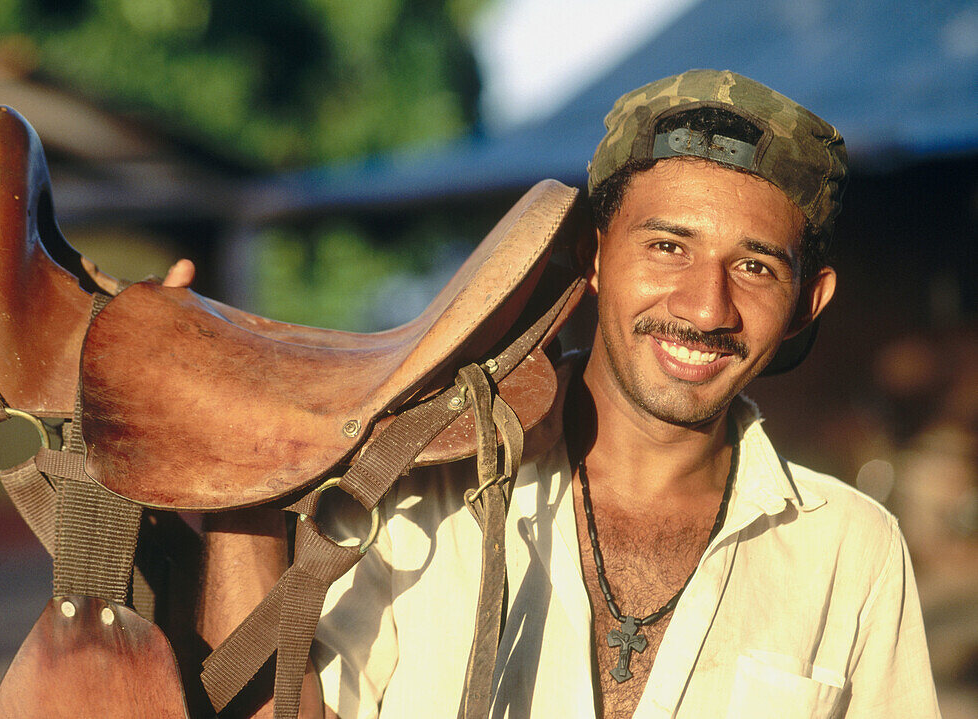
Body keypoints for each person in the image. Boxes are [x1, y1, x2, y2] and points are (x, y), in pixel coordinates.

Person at [188, 70, 941, 718]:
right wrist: (238, 476)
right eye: (668, 246)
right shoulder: (422, 487)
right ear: (595, 255)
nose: (706, 307)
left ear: (809, 301)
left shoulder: (850, 549)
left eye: (755, 267)